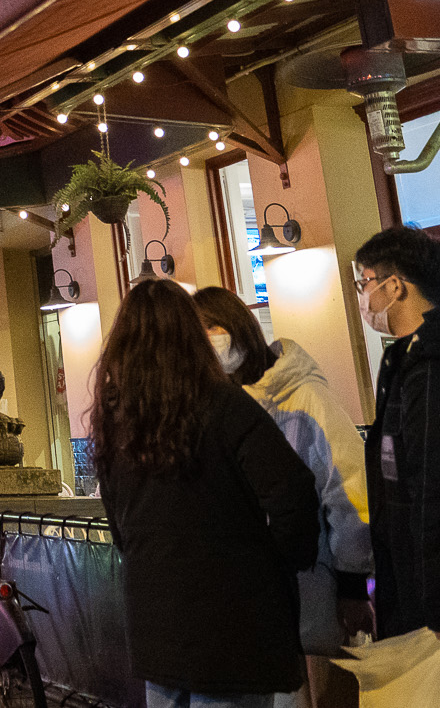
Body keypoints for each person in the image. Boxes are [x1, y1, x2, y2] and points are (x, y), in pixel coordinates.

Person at [94, 278, 320, 708]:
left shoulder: (116, 419)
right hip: (234, 623)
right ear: (189, 336)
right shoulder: (225, 405)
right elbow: (292, 492)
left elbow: (117, 517)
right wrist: (278, 564)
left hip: (154, 619)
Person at [194, 285, 371, 707]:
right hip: (265, 600)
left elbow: (349, 489)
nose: (207, 345)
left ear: (238, 327)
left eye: (212, 330)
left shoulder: (304, 398)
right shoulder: (227, 405)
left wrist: (350, 584)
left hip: (320, 587)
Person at [353, 225, 440, 641]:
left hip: (427, 592)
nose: (362, 297)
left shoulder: (430, 362)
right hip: (404, 579)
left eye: (363, 282)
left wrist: (434, 602)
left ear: (394, 286)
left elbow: (431, 487)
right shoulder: (399, 360)